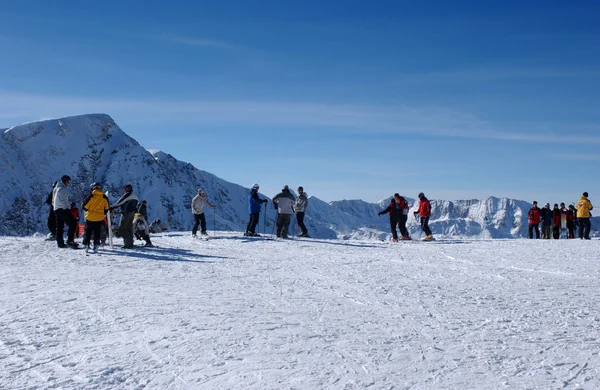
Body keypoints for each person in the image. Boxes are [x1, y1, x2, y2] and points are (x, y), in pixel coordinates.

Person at [81, 182, 109, 253]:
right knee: (97, 232)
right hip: (99, 218)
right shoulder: (104, 197)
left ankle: (86, 245)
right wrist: (102, 214)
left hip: (90, 217)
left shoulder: (91, 195)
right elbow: (107, 208)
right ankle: (96, 245)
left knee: (88, 231)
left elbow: (84, 206)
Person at [52, 175, 78, 248]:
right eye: (68, 181)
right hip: (63, 209)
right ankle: (70, 240)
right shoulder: (63, 189)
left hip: (56, 209)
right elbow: (64, 201)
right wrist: (67, 209)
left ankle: (60, 243)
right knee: (73, 223)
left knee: (59, 227)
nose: (68, 183)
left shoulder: (56, 188)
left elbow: (53, 200)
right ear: (64, 181)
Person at [110, 184, 139, 249]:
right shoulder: (135, 196)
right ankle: (130, 244)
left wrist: (111, 207)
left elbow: (120, 202)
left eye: (125, 189)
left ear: (128, 189)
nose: (124, 190)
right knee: (129, 228)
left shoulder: (128, 194)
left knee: (122, 229)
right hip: (132, 213)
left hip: (126, 213)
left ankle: (127, 244)